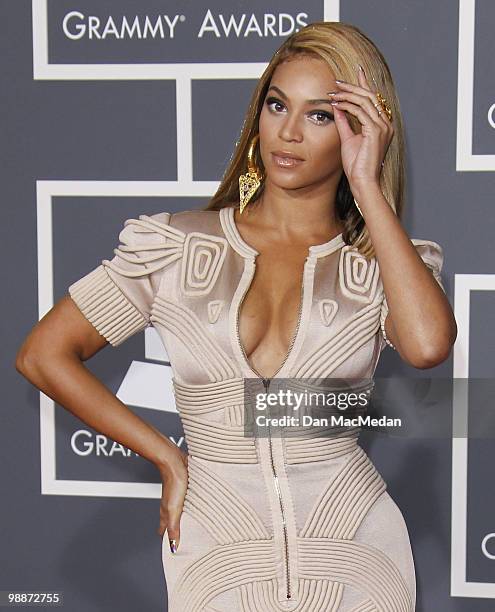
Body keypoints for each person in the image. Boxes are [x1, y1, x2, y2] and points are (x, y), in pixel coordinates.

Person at [16, 21, 457, 612]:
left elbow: (428, 346)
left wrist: (368, 186)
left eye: (321, 115)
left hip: (354, 547)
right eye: (278, 105)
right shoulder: (176, 247)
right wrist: (168, 456)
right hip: (217, 545)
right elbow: (42, 354)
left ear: (359, 129)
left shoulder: (378, 263)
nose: (290, 132)